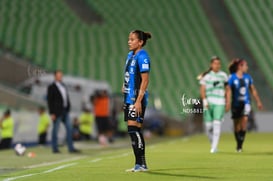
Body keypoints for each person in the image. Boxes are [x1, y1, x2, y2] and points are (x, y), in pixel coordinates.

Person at [122, 30, 151, 172]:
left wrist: (138, 101)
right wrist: (125, 85)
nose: (129, 41)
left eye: (132, 39)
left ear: (140, 42)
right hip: (129, 98)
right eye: (129, 39)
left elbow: (145, 80)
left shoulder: (143, 56)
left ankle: (142, 164)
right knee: (133, 130)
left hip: (136, 99)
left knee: (134, 130)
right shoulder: (130, 55)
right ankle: (138, 164)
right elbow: (130, 75)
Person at [226, 58, 263, 152]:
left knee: (244, 121)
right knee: (236, 125)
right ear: (240, 66)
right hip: (235, 104)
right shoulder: (232, 77)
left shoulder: (248, 77)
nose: (247, 67)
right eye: (245, 65)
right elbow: (228, 91)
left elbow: (253, 90)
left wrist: (258, 101)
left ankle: (240, 146)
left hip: (246, 103)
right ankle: (238, 144)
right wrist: (228, 102)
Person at [199, 56, 229, 153]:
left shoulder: (224, 75)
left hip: (220, 102)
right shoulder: (206, 76)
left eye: (219, 63)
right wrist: (205, 101)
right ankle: (213, 144)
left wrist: (228, 101)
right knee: (208, 127)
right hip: (209, 102)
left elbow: (228, 89)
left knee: (217, 123)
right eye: (215, 63)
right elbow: (202, 89)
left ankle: (214, 147)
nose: (217, 65)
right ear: (211, 64)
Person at [47, 70, 79, 153]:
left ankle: (71, 148)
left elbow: (65, 98)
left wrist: (68, 107)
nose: (60, 76)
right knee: (55, 130)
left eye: (61, 75)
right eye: (59, 75)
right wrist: (52, 113)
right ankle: (55, 148)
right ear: (55, 76)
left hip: (65, 111)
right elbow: (50, 101)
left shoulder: (63, 86)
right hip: (57, 112)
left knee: (69, 129)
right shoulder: (52, 87)